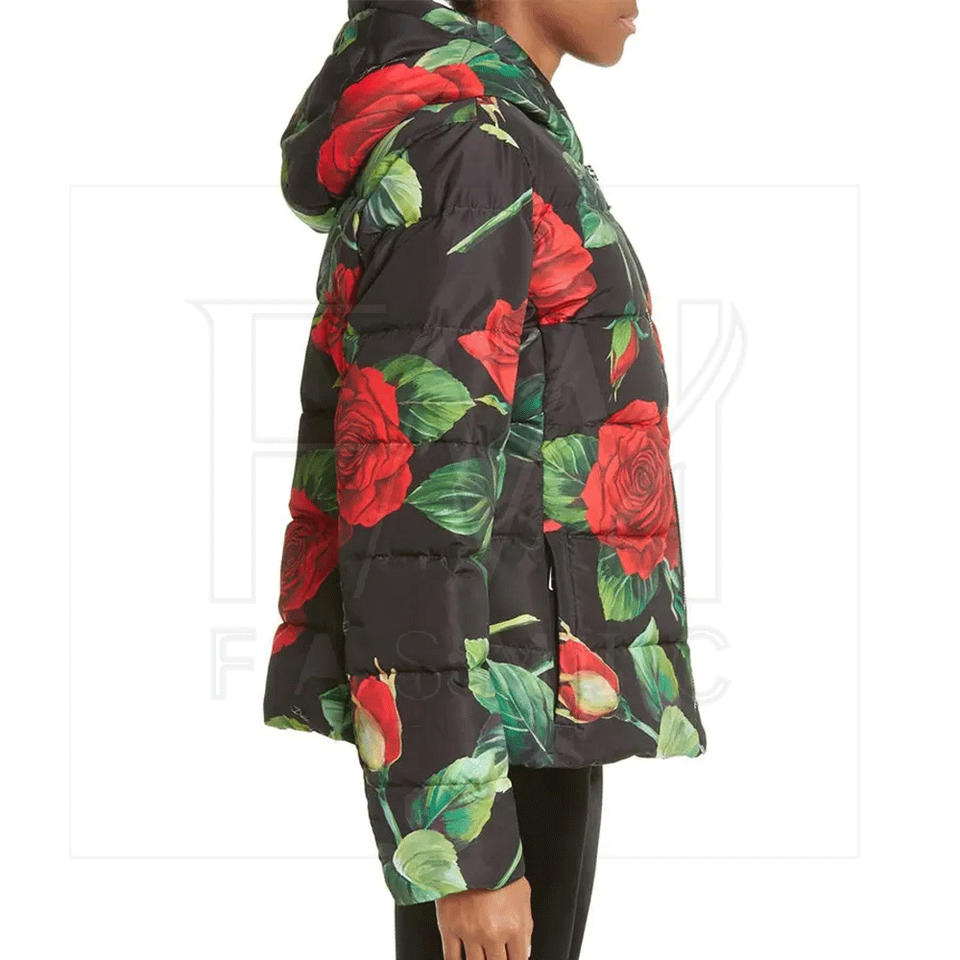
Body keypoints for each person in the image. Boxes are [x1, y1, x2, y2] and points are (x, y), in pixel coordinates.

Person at [262, 2, 707, 958]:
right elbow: (406, 512)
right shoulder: (468, 151)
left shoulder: (504, 137)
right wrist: (465, 849)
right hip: (492, 737)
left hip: (527, 711)